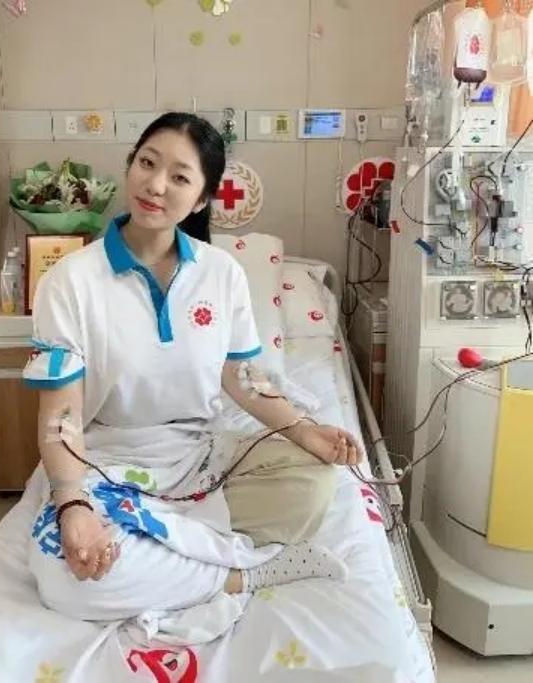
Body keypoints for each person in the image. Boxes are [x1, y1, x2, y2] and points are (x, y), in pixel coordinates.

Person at [23, 112, 360, 628]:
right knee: (62, 576)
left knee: (314, 484)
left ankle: (166, 552)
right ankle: (240, 574)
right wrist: (72, 504)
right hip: (107, 464)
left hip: (198, 456)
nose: (156, 185)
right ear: (130, 165)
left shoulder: (220, 273)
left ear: (202, 199)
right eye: (147, 163)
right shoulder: (70, 281)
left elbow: (241, 377)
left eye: (179, 177)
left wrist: (304, 430)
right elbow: (60, 416)